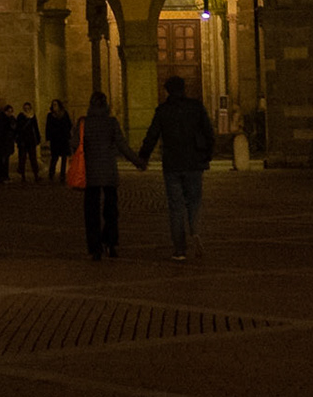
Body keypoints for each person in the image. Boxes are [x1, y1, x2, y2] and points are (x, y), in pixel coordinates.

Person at [138, 75, 217, 260]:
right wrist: (208, 154)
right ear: (184, 89)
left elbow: (152, 135)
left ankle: (180, 250)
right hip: (194, 163)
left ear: (167, 90)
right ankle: (195, 230)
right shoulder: (196, 107)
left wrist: (143, 157)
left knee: (175, 207)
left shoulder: (163, 111)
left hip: (172, 164)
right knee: (194, 201)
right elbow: (208, 131)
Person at [77, 91, 143, 259]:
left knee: (91, 212)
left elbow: (73, 144)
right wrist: (138, 161)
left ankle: (95, 248)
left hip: (90, 174)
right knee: (111, 210)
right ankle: (111, 243)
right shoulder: (111, 123)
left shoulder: (83, 123)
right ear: (106, 105)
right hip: (109, 173)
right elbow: (123, 146)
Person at [45, 99, 73, 184]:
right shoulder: (50, 116)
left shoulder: (64, 114)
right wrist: (48, 138)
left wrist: (67, 133)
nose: (54, 106)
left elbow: (69, 124)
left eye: (56, 104)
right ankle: (51, 173)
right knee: (54, 157)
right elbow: (48, 127)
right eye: (53, 105)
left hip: (63, 138)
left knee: (64, 158)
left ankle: (62, 175)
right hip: (55, 139)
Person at [15, 102, 42, 182]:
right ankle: (23, 176)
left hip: (30, 140)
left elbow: (35, 128)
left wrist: (37, 138)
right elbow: (18, 128)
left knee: (33, 158)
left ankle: (36, 175)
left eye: (28, 108)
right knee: (22, 159)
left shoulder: (32, 116)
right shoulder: (21, 116)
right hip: (23, 140)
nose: (27, 110)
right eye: (25, 108)